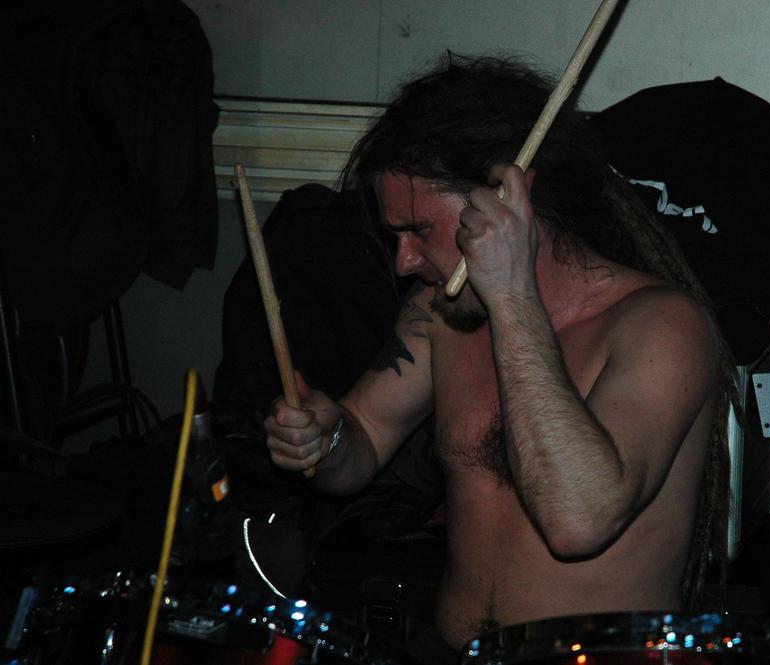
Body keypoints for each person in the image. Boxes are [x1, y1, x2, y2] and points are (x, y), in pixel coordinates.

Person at [264, 54, 734, 655]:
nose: (404, 262)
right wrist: (324, 440)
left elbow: (579, 523)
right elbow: (362, 442)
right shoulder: (439, 311)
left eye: (419, 231)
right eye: (394, 236)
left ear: (509, 204)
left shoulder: (662, 325)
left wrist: (512, 296)